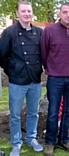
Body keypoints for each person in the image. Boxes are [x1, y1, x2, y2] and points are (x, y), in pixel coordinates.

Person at [0, 1, 43, 156]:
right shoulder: (9, 32)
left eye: (29, 11)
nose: (27, 14)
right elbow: (2, 56)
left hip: (35, 80)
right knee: (15, 115)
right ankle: (16, 143)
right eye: (23, 11)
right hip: (17, 81)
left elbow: (43, 54)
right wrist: (13, 71)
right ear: (17, 13)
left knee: (33, 112)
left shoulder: (39, 32)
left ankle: (31, 138)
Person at [41, 2, 69, 156]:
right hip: (55, 78)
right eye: (65, 12)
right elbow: (44, 53)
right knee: (52, 112)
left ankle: (64, 139)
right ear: (60, 14)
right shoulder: (49, 30)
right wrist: (52, 68)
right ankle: (50, 142)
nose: (68, 15)